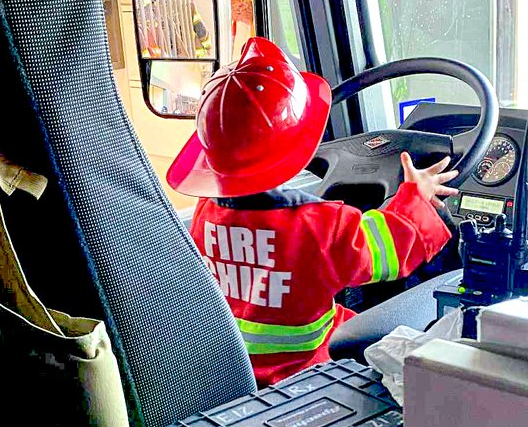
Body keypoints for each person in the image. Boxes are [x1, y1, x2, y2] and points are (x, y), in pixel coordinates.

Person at [167, 37, 458, 385]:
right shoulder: (321, 225)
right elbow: (392, 248)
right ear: (296, 146)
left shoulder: (206, 213)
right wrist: (417, 194)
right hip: (303, 375)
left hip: (233, 368)